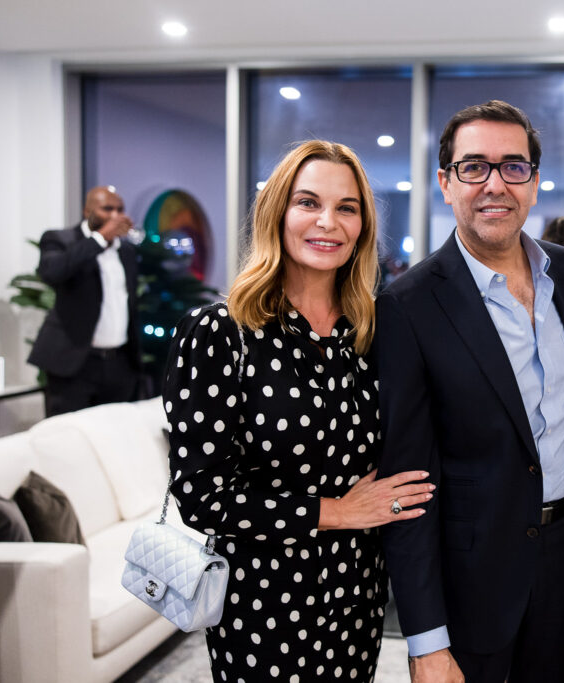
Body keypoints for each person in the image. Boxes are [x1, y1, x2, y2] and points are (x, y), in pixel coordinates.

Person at [162, 141, 433, 681]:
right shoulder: (221, 331)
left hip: (357, 595)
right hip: (262, 603)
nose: (328, 222)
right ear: (278, 213)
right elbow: (200, 496)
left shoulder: (369, 333)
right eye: (308, 202)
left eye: (347, 207)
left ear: (363, 226)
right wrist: (338, 512)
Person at [375, 100, 564, 683]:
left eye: (513, 167)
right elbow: (409, 481)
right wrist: (425, 640)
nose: (495, 184)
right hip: (471, 579)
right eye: (474, 167)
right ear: (446, 184)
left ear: (534, 181)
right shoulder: (408, 305)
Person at [29, 186, 142, 416]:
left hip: (117, 362)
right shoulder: (60, 239)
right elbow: (52, 272)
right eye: (107, 209)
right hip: (74, 363)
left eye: (120, 209)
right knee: (67, 436)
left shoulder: (126, 251)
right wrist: (100, 238)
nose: (115, 215)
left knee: (113, 431)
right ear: (87, 210)